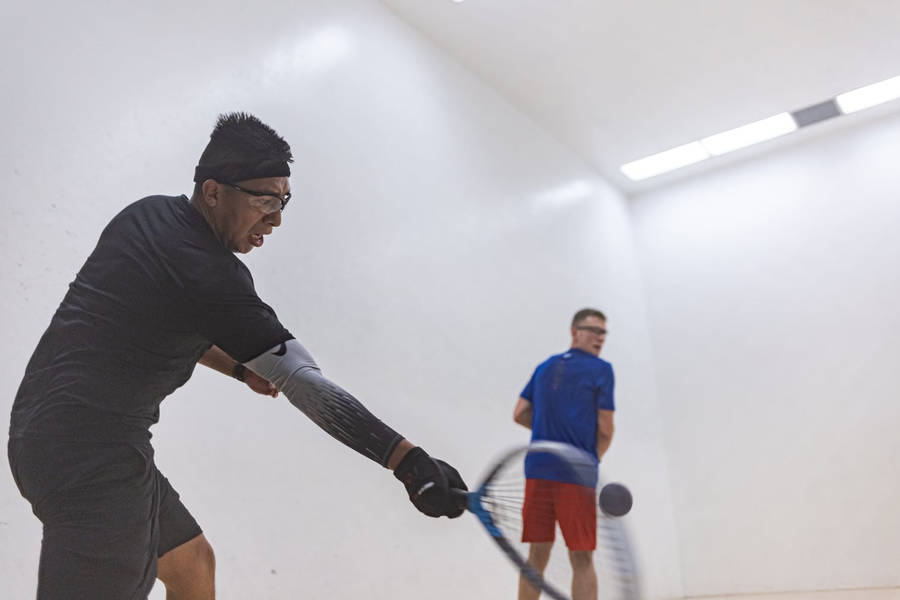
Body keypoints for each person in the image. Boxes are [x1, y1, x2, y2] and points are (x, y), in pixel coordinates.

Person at [8, 112, 467, 600]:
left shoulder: (147, 216)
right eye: (265, 200)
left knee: (192, 562)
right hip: (90, 457)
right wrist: (408, 462)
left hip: (53, 433)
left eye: (284, 201)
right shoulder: (211, 275)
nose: (277, 217)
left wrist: (238, 368)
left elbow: (160, 318)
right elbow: (302, 380)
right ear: (213, 192)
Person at [512, 308, 615, 600]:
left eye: (603, 333)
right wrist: (591, 458)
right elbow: (606, 429)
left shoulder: (544, 367)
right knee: (581, 558)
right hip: (576, 474)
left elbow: (520, 413)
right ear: (574, 331)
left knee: (536, 557)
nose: (600, 338)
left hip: (538, 469)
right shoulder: (601, 369)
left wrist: (550, 432)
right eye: (594, 330)